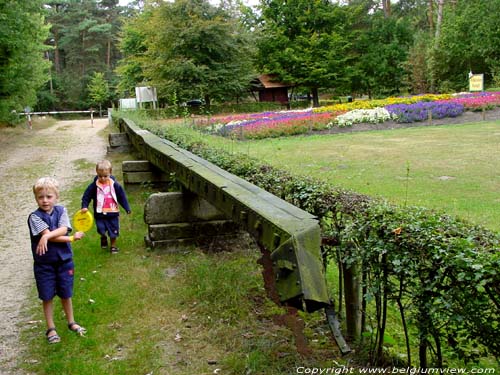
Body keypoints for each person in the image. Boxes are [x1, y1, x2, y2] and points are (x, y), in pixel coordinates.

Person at [28, 177, 86, 344]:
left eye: (49, 196)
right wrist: (71, 239)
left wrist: (47, 237)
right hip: (44, 264)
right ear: (36, 198)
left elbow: (62, 229)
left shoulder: (61, 211)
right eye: (41, 197)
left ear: (56, 197)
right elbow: (54, 236)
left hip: (64, 261)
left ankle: (71, 322)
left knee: (66, 293)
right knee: (47, 296)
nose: (45, 200)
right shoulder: (34, 217)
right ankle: (51, 328)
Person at [81, 160, 131, 254]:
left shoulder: (114, 185)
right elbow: (86, 196)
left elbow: (122, 196)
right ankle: (103, 237)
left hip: (113, 213)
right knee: (101, 229)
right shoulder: (94, 186)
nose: (103, 178)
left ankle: (113, 246)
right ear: (97, 173)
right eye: (100, 176)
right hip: (100, 214)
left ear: (110, 173)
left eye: (105, 176)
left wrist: (127, 208)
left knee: (113, 230)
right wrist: (84, 206)